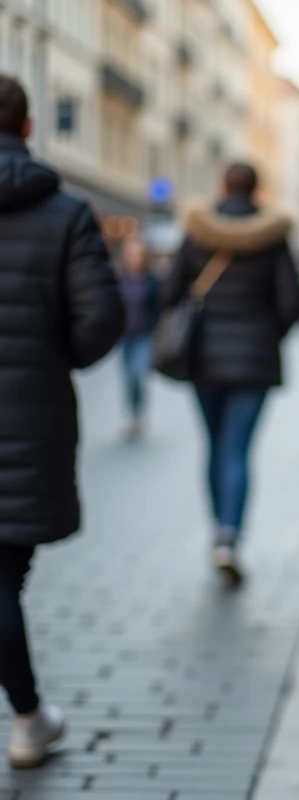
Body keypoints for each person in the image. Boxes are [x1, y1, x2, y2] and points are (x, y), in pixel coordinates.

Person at [0, 74, 124, 768]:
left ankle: (30, 716)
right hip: (29, 413)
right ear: (28, 126)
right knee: (4, 574)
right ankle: (27, 718)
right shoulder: (65, 212)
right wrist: (58, 354)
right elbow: (101, 318)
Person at [161, 161, 299, 587]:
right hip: (254, 359)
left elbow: (169, 294)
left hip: (203, 357)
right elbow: (293, 302)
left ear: (223, 187)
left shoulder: (196, 231)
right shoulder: (273, 237)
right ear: (257, 190)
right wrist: (266, 333)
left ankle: (217, 532)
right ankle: (230, 537)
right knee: (237, 449)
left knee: (214, 444)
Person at [116, 235, 161, 439]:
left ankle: (139, 414)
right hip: (125, 337)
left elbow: (160, 307)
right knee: (128, 378)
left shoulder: (152, 281)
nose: (135, 258)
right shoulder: (120, 280)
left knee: (138, 374)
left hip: (145, 336)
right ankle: (132, 416)